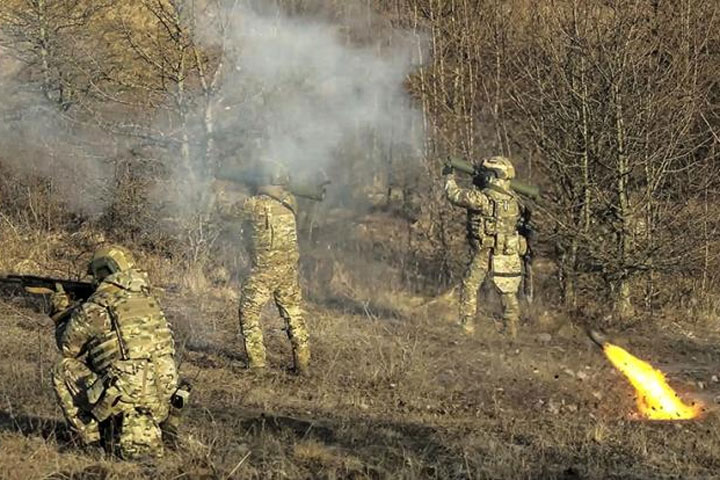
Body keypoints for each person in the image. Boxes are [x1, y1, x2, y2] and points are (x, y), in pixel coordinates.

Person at [50, 245, 183, 460]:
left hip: (122, 401)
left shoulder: (99, 303)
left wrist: (61, 313)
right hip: (162, 405)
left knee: (62, 369)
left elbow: (68, 347)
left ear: (103, 271)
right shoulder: (150, 300)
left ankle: (91, 441)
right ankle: (162, 431)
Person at [227, 162, 311, 376]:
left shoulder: (255, 205)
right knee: (293, 313)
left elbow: (225, 213)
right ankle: (303, 364)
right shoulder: (290, 200)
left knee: (249, 312)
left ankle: (257, 364)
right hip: (289, 269)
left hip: (264, 270)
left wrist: (220, 192)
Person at [444, 156, 527, 338]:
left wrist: (449, 176)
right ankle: (511, 328)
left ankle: (467, 327)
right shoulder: (513, 199)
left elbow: (454, 195)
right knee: (507, 288)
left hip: (486, 250)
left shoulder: (482, 199)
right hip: (507, 249)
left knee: (470, 285)